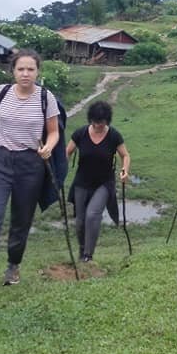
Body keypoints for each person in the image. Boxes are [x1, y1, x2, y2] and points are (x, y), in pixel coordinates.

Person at [0, 49, 60, 304]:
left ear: (38, 71)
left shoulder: (45, 97)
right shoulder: (2, 92)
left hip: (30, 165)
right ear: (13, 71)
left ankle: (13, 265)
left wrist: (48, 147)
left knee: (21, 221)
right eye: (21, 69)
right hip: (0, 161)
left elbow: (53, 131)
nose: (25, 73)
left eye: (30, 69)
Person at [65, 101, 130, 277]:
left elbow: (125, 155)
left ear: (107, 121)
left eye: (101, 122)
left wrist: (125, 170)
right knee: (80, 222)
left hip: (104, 183)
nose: (98, 126)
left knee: (93, 215)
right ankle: (81, 250)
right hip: (82, 182)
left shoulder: (114, 136)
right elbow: (67, 152)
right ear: (90, 120)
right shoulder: (80, 133)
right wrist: (58, 168)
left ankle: (88, 255)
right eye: (95, 122)